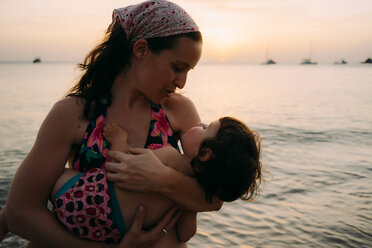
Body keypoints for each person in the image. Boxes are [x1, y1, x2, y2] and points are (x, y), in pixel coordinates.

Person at [1, 1, 222, 247]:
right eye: (177, 68)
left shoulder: (179, 111)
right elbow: (20, 213)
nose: (182, 82)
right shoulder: (75, 114)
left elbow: (214, 198)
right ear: (141, 50)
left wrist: (161, 178)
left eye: (188, 71)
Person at [45, 117, 262, 244]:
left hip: (79, 196)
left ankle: (9, 217)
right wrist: (191, 206)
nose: (199, 123)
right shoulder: (191, 197)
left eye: (206, 128)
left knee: (56, 175)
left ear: (205, 154)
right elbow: (186, 234)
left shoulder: (169, 157)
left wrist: (120, 140)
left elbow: (121, 170)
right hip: (100, 230)